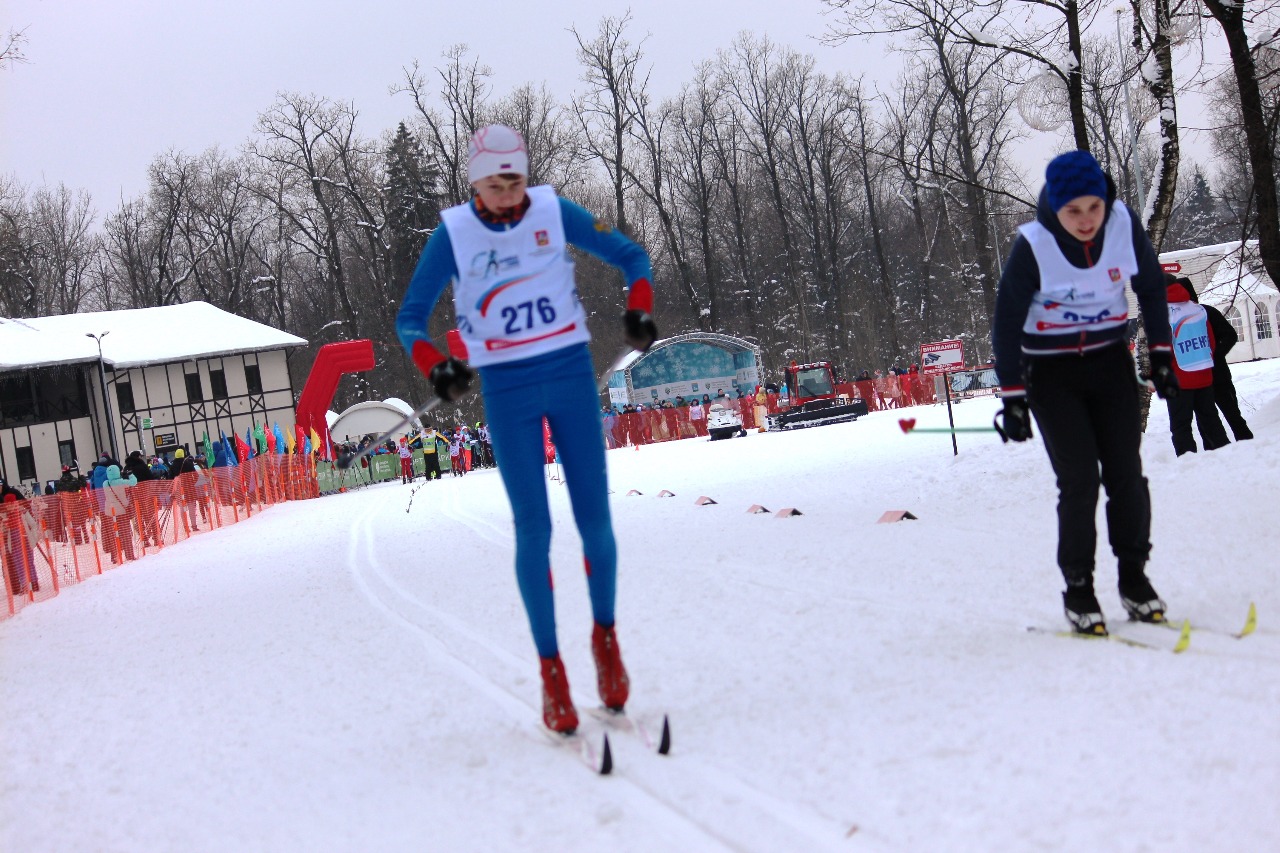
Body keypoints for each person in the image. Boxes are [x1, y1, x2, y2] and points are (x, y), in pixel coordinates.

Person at [395, 124, 656, 734]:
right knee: (533, 528)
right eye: (494, 183)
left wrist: (639, 305)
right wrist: (439, 367)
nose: (508, 193)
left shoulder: (552, 209)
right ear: (474, 184)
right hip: (507, 390)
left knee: (595, 519)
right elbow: (409, 318)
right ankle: (552, 675)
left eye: (515, 179)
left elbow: (631, 256)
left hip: (567, 374)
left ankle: (606, 644)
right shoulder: (453, 233)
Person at [991, 150, 1179, 636]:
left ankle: (1134, 579)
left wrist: (1160, 354)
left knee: (1126, 475)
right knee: (1079, 480)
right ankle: (1079, 588)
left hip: (1108, 362)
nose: (1085, 220)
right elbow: (1007, 321)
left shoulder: (1121, 224)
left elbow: (1153, 286)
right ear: (1054, 207)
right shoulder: (1034, 245)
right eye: (1072, 211)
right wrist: (1012, 396)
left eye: (1092, 207)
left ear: (1105, 199)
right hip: (1051, 372)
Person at [1173, 275, 1253, 441]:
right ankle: (1214, 455)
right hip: (1197, 379)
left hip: (1218, 375)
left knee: (1232, 415)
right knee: (1206, 423)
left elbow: (1230, 335)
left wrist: (1215, 354)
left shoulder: (1206, 311)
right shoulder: (1174, 317)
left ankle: (1247, 446)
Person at [1164, 277, 1230, 456]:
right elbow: (1211, 342)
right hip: (1204, 374)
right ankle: (1226, 457)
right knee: (1211, 421)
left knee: (1181, 426)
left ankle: (1189, 464)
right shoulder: (1198, 309)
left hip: (1179, 379)